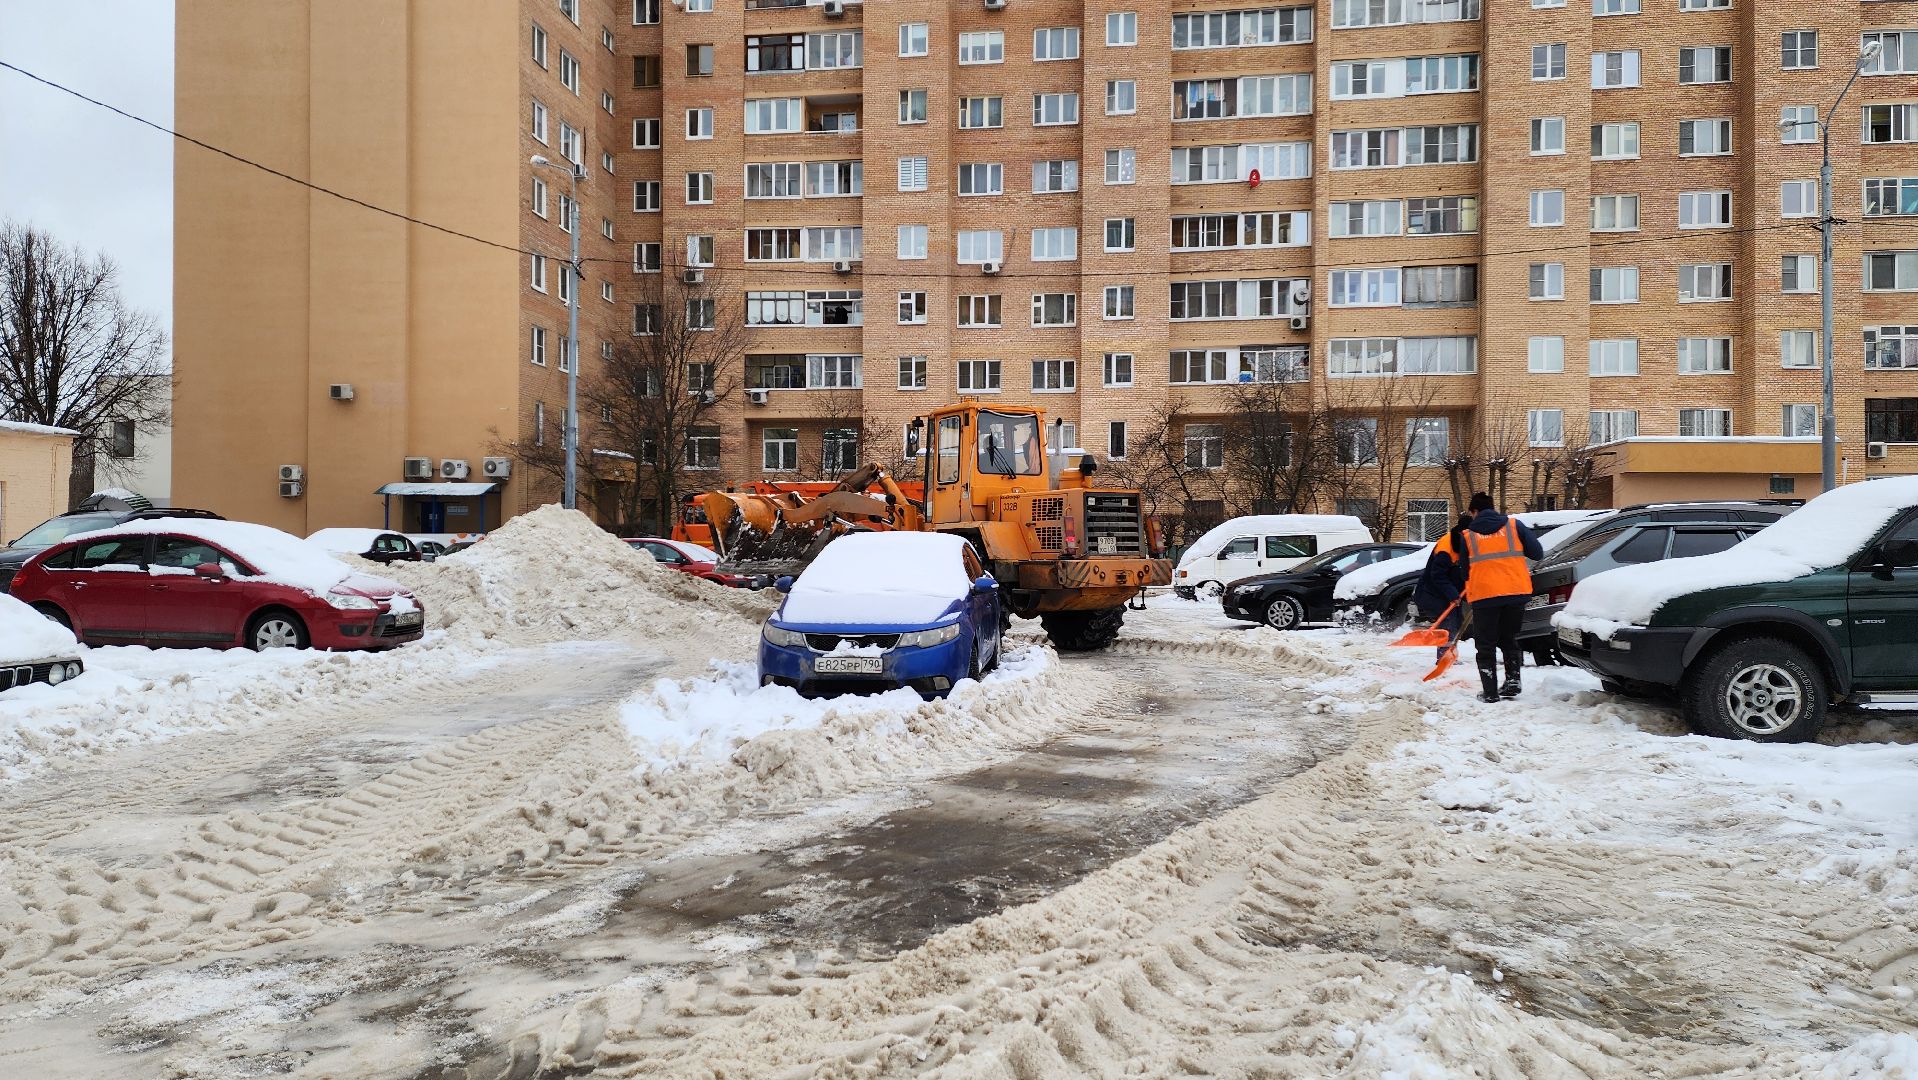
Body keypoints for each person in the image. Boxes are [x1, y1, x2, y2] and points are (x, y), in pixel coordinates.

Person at [1461, 492, 1543, 703]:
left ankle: (1490, 692)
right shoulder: (1515, 526)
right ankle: (1513, 681)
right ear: (1493, 508)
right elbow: (1537, 553)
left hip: (1484, 596)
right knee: (1509, 638)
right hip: (1516, 592)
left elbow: (1464, 571)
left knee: (1485, 644)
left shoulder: (1468, 535)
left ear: (1474, 511)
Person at [1412, 513, 1473, 663]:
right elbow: (1438, 576)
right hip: (1433, 593)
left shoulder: (1462, 544)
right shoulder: (1446, 548)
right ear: (1463, 532)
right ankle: (1443, 658)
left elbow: (1460, 574)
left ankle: (1449, 655)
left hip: (1447, 594)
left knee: (1456, 622)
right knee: (1449, 624)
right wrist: (1453, 594)